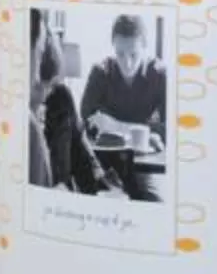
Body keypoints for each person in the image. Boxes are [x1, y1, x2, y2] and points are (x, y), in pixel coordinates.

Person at [79, 15, 166, 202]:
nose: (126, 64)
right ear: (113, 47)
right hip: (103, 159)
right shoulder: (100, 72)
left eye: (133, 54)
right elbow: (86, 121)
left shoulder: (159, 74)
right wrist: (144, 131)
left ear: (145, 47)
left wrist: (115, 126)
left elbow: (169, 130)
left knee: (155, 201)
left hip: (141, 160)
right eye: (120, 54)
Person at [33, 32, 108, 195]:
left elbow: (81, 149)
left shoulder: (58, 96)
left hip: (64, 199)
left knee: (63, 96)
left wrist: (103, 185)